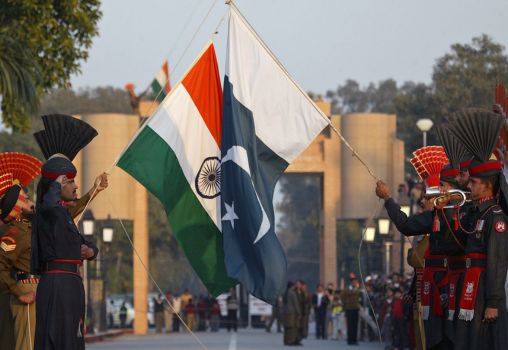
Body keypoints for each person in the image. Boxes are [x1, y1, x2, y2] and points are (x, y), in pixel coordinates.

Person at [31, 114, 102, 350]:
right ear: (57, 185)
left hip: (70, 283)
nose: (75, 186)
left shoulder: (64, 215)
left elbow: (87, 243)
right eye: (69, 182)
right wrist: (54, 182)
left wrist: (91, 252)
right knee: (58, 340)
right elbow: (48, 203)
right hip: (57, 283)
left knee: (72, 339)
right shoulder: (48, 212)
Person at [445, 108, 508, 350]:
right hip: (471, 283)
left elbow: (497, 261)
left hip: (485, 290)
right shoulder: (476, 211)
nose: (468, 186)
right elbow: (459, 242)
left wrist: (493, 300)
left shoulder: (496, 217)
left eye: (473, 182)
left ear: (488, 186)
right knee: (468, 341)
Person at [341, 276, 361, 346]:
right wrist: (346, 304)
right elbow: (342, 297)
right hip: (349, 309)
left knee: (355, 325)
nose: (355, 283)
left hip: (356, 308)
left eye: (356, 281)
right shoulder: (347, 289)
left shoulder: (358, 289)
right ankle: (350, 340)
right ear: (351, 282)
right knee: (350, 325)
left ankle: (354, 340)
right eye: (354, 282)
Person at [283, 281, 302, 346]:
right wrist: (299, 312)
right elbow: (296, 303)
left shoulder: (285, 293)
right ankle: (291, 340)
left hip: (286, 312)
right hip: (292, 312)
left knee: (287, 327)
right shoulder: (292, 293)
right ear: (292, 286)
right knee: (291, 327)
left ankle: (286, 340)